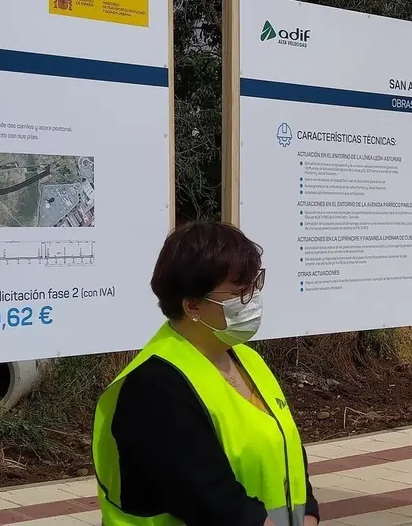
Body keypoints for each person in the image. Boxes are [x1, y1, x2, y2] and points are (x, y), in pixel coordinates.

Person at [92, 221, 319, 526]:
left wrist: (308, 513)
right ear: (193, 306)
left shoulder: (246, 359)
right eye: (240, 292)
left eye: (255, 285)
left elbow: (286, 447)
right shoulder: (154, 386)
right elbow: (205, 495)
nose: (252, 299)